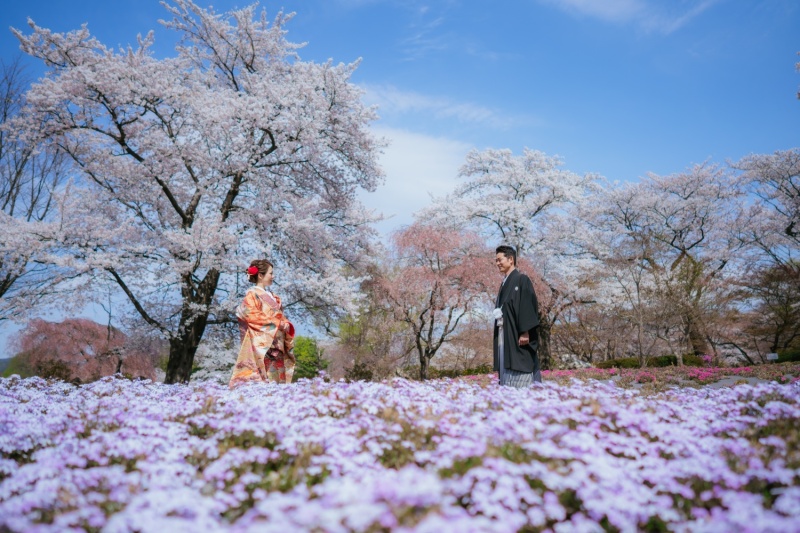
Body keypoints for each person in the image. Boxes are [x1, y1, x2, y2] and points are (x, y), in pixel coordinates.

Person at [229, 259, 296, 388]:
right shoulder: (252, 295)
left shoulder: (274, 297)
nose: (273, 276)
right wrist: (279, 323)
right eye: (271, 273)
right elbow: (253, 316)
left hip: (278, 345)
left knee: (279, 384)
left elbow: (281, 316)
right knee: (265, 383)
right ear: (260, 275)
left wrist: (286, 323)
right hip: (264, 347)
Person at [493, 245, 541, 387]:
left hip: (517, 334)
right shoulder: (504, 283)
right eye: (496, 261)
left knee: (518, 361)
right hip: (504, 332)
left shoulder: (521, 280)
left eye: (499, 260)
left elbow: (526, 305)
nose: (497, 263)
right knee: (505, 361)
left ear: (511, 259)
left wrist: (525, 331)